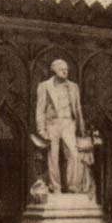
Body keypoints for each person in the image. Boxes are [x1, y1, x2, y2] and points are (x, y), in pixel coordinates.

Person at [34, 59, 86, 194]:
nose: (65, 71)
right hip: (52, 123)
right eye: (62, 69)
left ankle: (72, 186)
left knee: (74, 155)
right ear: (54, 70)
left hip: (69, 123)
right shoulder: (45, 86)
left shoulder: (74, 87)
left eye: (67, 69)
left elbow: (78, 108)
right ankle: (55, 186)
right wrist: (41, 129)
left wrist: (81, 127)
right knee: (53, 156)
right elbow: (40, 110)